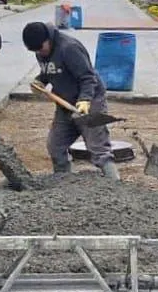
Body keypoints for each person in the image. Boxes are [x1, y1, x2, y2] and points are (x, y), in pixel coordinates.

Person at [21, 21, 120, 181]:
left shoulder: (69, 48)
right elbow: (50, 71)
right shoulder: (41, 50)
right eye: (35, 50)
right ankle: (63, 183)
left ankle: (115, 185)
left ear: (48, 39)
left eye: (40, 48)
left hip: (90, 101)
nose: (39, 52)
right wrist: (40, 81)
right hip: (65, 104)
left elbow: (88, 77)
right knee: (55, 146)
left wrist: (85, 100)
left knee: (98, 149)